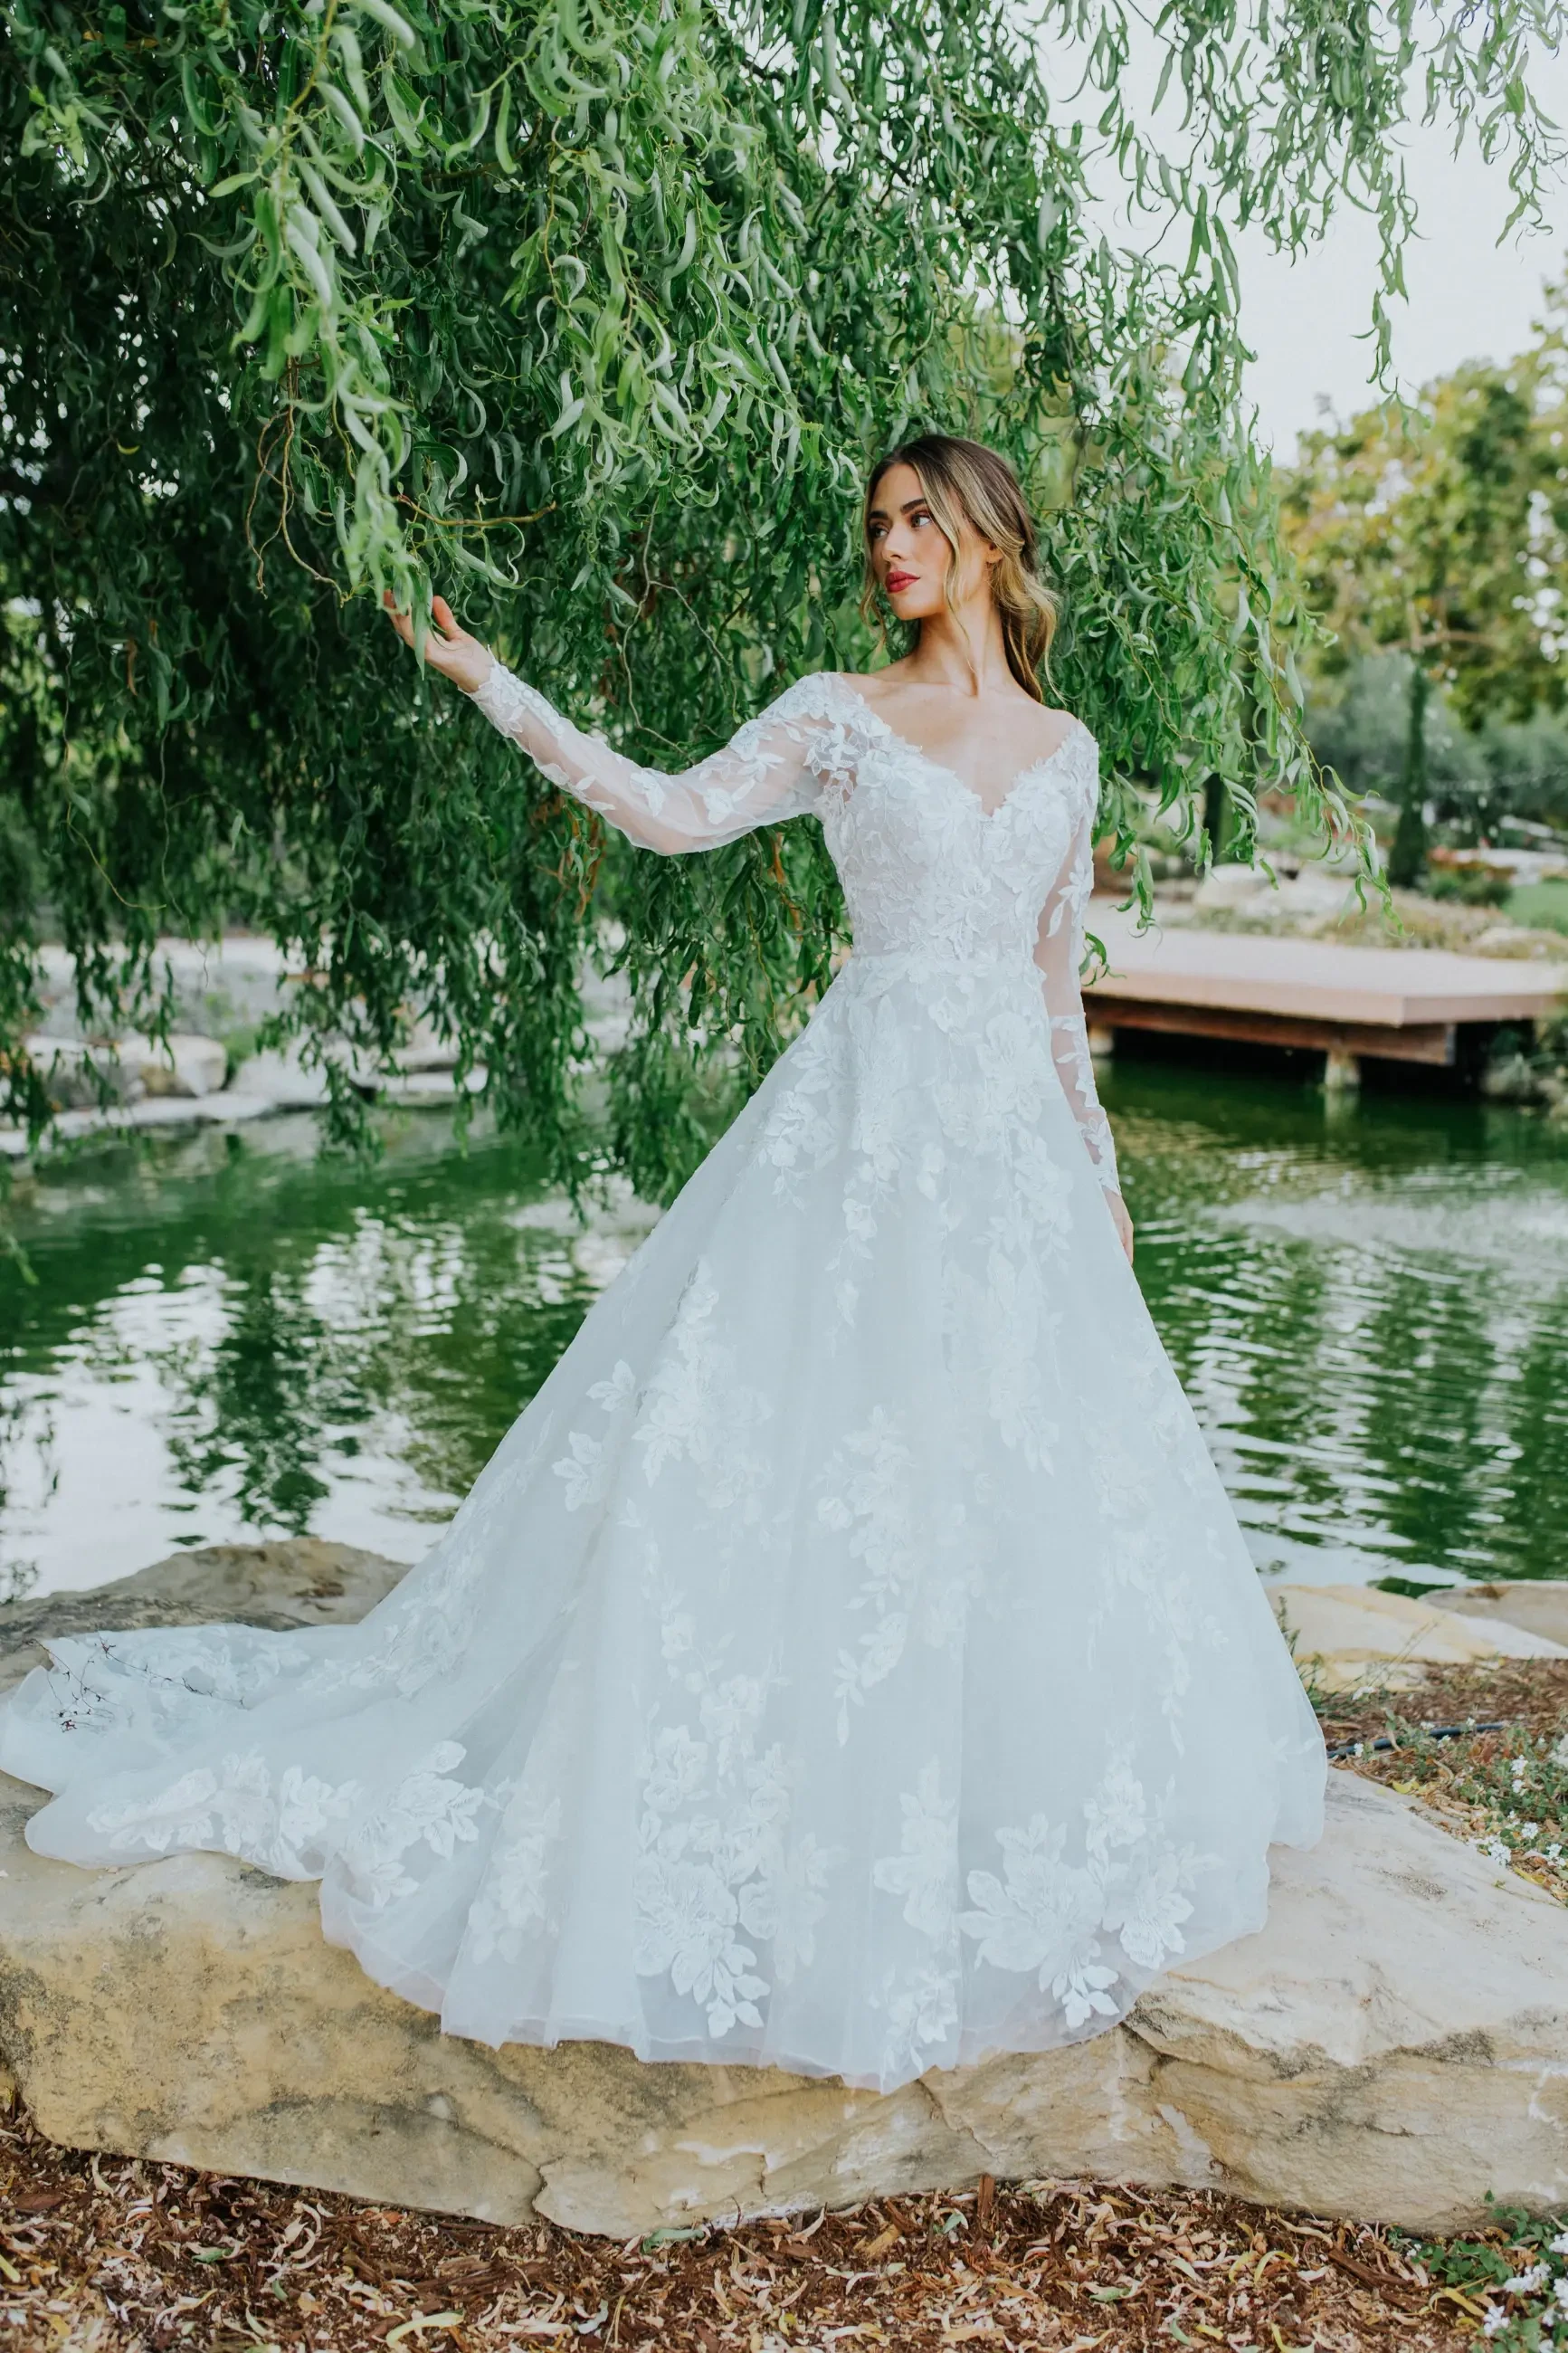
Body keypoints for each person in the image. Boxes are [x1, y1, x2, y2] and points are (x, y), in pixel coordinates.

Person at [0, 435, 1324, 2094]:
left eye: (923, 519)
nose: (892, 546)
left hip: (1008, 1169)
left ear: (992, 538)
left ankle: (982, 1798)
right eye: (879, 525)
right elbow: (669, 813)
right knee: (797, 1454)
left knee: (1007, 1471)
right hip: (855, 1135)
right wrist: (493, 682)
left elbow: (1057, 998)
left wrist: (1104, 1183)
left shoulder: (1070, 752)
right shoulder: (841, 713)